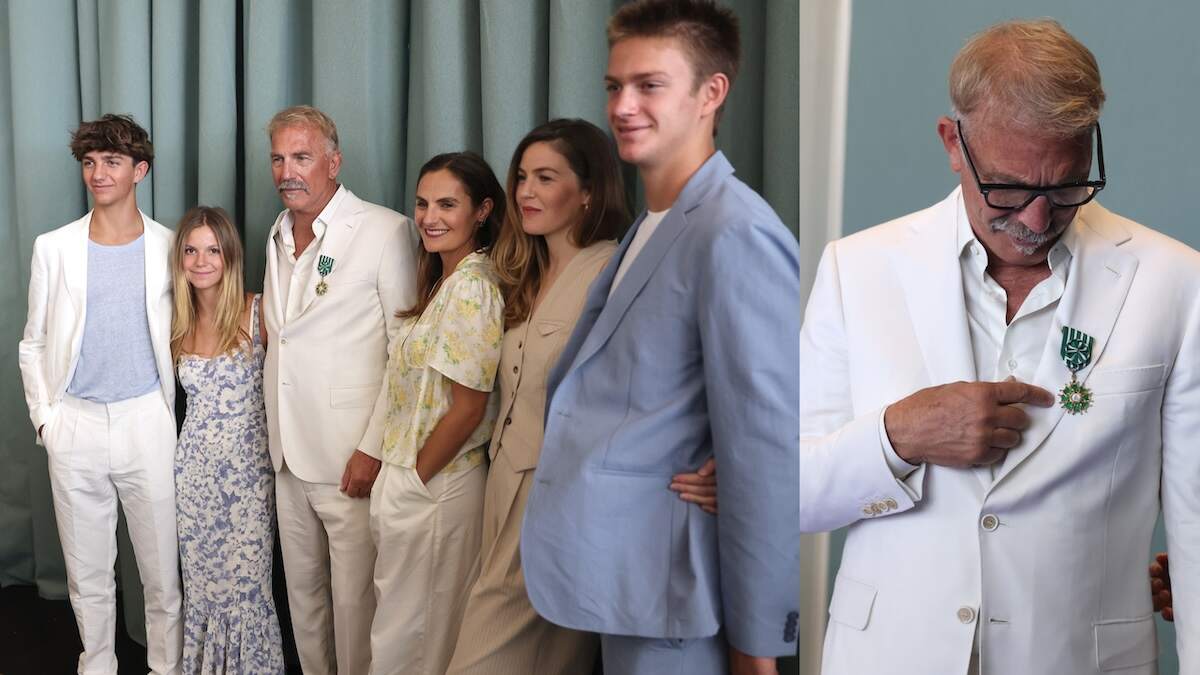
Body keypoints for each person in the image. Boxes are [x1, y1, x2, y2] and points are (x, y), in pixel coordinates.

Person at [801, 18, 1200, 674]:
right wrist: (899, 435)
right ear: (952, 142)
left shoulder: (1178, 283)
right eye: (1009, 188)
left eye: (1066, 185)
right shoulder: (856, 269)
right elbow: (790, 490)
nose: (1037, 220)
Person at [520, 2, 801, 674]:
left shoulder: (735, 231)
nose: (623, 106)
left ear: (711, 93)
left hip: (681, 591)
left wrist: (756, 646)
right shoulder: (652, 224)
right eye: (615, 86)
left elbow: (765, 447)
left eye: (650, 85)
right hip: (629, 578)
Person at [18, 114, 182, 674]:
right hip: (76, 425)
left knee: (162, 573)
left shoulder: (171, 248)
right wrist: (47, 419)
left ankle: (166, 668)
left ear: (140, 170)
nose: (98, 173)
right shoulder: (54, 248)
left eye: (111, 162)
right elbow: (33, 342)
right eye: (89, 162)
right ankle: (98, 666)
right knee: (88, 574)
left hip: (147, 423)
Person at [261, 105, 419, 675]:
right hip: (285, 454)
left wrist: (373, 446)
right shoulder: (276, 235)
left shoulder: (384, 229)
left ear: (334, 160)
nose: (287, 171)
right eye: (278, 157)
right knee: (303, 598)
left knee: (355, 603)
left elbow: (406, 348)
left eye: (301, 157)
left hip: (351, 456)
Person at [367, 152, 506, 675]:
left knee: (414, 642)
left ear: (482, 210)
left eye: (448, 204)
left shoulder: (473, 285)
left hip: (438, 485)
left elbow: (468, 409)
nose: (430, 216)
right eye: (423, 203)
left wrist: (414, 480)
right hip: (413, 481)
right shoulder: (443, 283)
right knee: (403, 633)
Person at [170, 206, 284, 673]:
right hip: (193, 479)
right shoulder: (175, 326)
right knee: (201, 589)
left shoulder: (258, 313)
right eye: (191, 250)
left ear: (230, 255)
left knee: (247, 589)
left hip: (249, 479)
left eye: (212, 250)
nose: (201, 261)